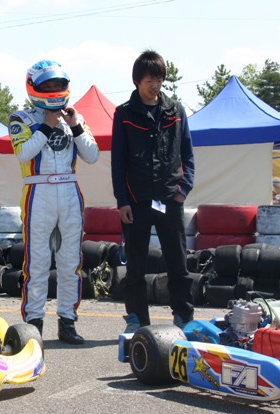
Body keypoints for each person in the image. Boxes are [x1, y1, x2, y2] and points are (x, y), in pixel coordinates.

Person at [8, 59, 99, 344]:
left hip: (70, 191)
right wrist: (46, 127)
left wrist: (75, 126)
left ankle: (67, 321)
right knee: (37, 263)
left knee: (71, 262)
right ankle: (33, 324)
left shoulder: (75, 118)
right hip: (38, 192)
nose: (53, 89)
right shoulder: (21, 119)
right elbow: (24, 154)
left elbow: (92, 155)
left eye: (58, 84)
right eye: (47, 85)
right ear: (34, 87)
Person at [110, 50, 195, 333]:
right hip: (136, 201)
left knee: (178, 262)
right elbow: (118, 161)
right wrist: (122, 201)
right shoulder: (124, 113)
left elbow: (188, 154)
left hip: (171, 197)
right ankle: (136, 319)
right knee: (136, 265)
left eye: (159, 80)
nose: (155, 85)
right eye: (149, 80)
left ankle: (184, 316)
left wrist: (183, 189)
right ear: (137, 81)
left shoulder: (176, 111)